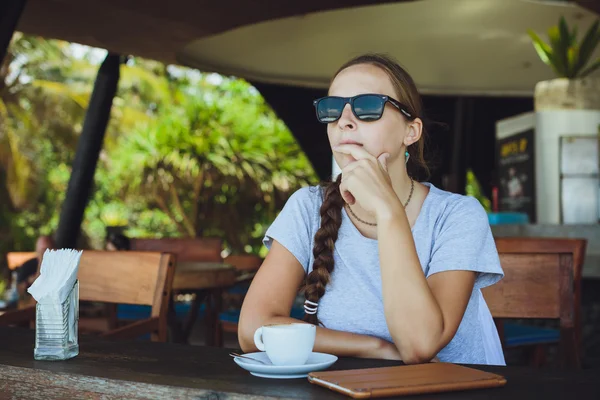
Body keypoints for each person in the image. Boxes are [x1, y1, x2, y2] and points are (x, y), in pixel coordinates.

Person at [238, 54, 505, 365]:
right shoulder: (307, 207)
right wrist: (374, 348)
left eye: (367, 107)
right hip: (348, 387)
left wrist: (387, 210)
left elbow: (420, 344)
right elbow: (253, 330)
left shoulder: (458, 215)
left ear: (411, 131)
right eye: (332, 109)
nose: (344, 121)